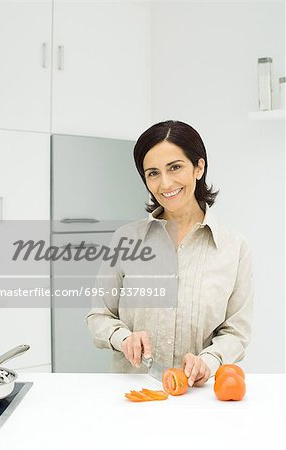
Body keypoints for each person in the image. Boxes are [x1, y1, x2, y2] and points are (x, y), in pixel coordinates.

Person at [85, 120, 254, 387]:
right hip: (134, 393)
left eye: (175, 167)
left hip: (201, 397)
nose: (165, 183)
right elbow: (99, 316)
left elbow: (236, 332)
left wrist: (209, 361)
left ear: (198, 168)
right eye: (153, 173)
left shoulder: (235, 249)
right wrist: (123, 338)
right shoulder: (126, 240)